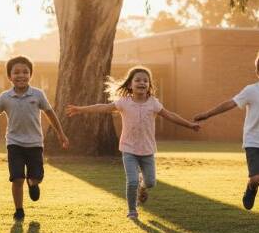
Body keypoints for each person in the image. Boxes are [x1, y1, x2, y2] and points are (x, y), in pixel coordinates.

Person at [65, 66, 200, 219]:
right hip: (128, 149)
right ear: (130, 85)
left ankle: (143, 187)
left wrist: (189, 125)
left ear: (149, 85)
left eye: (145, 81)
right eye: (137, 80)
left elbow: (170, 115)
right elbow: (103, 107)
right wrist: (81, 109)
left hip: (147, 150)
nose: (142, 83)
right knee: (132, 181)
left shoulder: (153, 103)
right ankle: (132, 210)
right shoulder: (124, 103)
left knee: (150, 182)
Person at [194, 48, 259, 223]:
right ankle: (251, 188)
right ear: (258, 72)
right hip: (253, 142)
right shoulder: (251, 90)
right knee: (257, 179)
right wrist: (207, 114)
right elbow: (230, 104)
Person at [0, 55, 69, 221]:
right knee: (17, 178)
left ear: (30, 75)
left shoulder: (37, 94)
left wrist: (61, 133)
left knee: (36, 177)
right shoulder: (5, 97)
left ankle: (33, 184)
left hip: (35, 144)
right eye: (16, 72)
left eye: (25, 72)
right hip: (14, 144)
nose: (21, 75)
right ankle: (19, 210)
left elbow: (50, 113)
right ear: (9, 76)